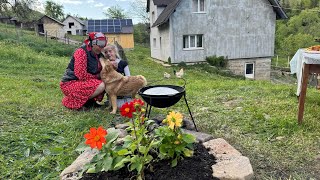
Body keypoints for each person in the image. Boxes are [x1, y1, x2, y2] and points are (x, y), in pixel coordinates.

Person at [60, 32, 107, 110]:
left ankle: (89, 102)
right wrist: (98, 76)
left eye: (104, 43)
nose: (102, 46)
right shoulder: (81, 52)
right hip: (70, 83)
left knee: (106, 82)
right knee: (101, 85)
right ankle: (71, 102)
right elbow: (81, 75)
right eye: (100, 43)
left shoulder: (98, 54)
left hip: (85, 82)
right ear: (92, 43)